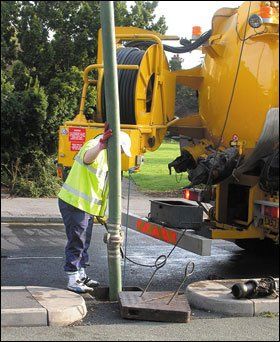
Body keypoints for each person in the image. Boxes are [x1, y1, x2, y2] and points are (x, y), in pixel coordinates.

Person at [58, 123, 132, 293]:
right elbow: (87, 158)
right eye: (121, 150)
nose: (121, 154)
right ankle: (72, 277)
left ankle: (81, 275)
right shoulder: (94, 147)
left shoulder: (107, 156)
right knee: (77, 241)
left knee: (84, 242)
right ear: (115, 145)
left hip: (84, 207)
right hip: (74, 203)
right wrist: (100, 146)